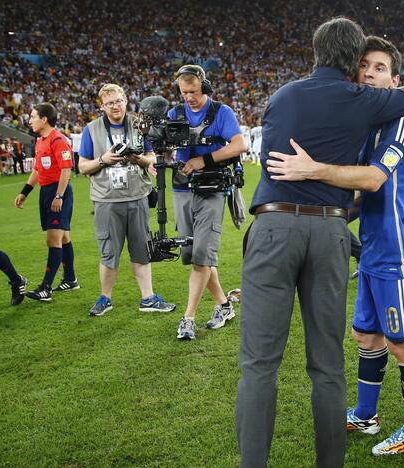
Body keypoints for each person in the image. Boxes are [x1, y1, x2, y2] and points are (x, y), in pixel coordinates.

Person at [235, 17, 404, 468]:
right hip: (339, 235)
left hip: (362, 240)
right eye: (364, 64)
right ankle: (356, 429)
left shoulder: (286, 96)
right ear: (351, 64)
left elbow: (369, 178)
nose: (369, 74)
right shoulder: (362, 107)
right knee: (347, 348)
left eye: (380, 68)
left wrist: (313, 171)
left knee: (261, 363)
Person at [77, 83, 176, 316]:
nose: (115, 106)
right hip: (107, 200)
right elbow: (82, 166)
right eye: (110, 103)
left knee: (142, 250)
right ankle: (105, 298)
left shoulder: (139, 124)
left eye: (118, 101)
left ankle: (148, 298)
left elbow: (152, 158)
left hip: (137, 197)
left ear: (126, 100)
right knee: (109, 252)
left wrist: (137, 158)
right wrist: (103, 160)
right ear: (102, 106)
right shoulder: (91, 129)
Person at [168, 64, 247, 339]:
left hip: (211, 188)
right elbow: (158, 147)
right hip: (181, 190)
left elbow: (239, 145)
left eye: (192, 91)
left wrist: (204, 159)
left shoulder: (221, 112)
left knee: (202, 255)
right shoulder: (174, 113)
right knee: (193, 255)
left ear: (205, 86)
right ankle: (224, 305)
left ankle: (188, 318)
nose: (188, 97)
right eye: (183, 92)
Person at [14, 103, 80, 302]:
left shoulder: (59, 140)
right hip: (47, 191)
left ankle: (46, 288)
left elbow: (66, 170)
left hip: (58, 191)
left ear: (44, 119)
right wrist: (25, 192)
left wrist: (58, 196)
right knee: (64, 238)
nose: (30, 120)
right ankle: (70, 279)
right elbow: (37, 169)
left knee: (53, 239)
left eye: (33, 116)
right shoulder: (40, 140)